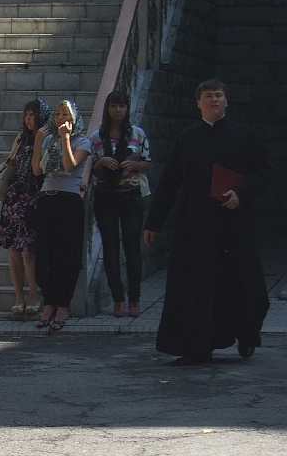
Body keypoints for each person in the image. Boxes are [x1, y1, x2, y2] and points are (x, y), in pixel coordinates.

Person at [144, 79, 270, 365]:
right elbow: (170, 181)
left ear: (227, 101)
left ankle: (246, 335)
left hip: (234, 225)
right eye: (208, 96)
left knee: (244, 285)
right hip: (195, 225)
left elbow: (264, 175)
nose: (214, 100)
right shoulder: (187, 138)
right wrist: (154, 222)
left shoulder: (245, 136)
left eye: (219, 95)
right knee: (195, 288)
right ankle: (196, 347)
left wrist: (241, 193)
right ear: (198, 103)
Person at [91, 91, 152, 318]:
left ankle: (134, 298)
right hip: (105, 195)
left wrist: (133, 165)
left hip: (130, 194)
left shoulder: (137, 134)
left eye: (122, 106)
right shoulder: (97, 137)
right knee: (110, 247)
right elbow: (90, 166)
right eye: (114, 106)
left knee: (132, 247)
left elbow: (148, 161)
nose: (118, 110)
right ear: (108, 108)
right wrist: (101, 162)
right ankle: (118, 298)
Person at [33, 99, 91, 332]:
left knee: (67, 255)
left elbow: (69, 165)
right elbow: (37, 170)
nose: (61, 119)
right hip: (48, 197)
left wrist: (66, 139)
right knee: (45, 255)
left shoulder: (83, 141)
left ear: (75, 118)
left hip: (69, 200)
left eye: (66, 114)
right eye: (58, 114)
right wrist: (39, 140)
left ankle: (62, 305)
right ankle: (49, 302)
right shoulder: (48, 139)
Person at [0, 98, 51, 318]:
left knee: (29, 250)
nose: (29, 119)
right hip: (14, 197)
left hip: (34, 196)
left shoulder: (46, 138)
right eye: (27, 115)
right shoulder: (21, 138)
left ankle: (34, 296)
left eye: (33, 115)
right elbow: (11, 162)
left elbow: (42, 169)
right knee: (13, 250)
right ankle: (19, 297)